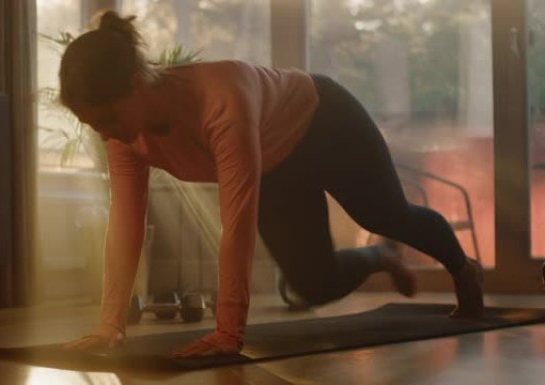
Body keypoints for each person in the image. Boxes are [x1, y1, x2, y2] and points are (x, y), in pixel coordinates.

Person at [60, 10, 484, 358]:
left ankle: (463, 270)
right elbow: (126, 225)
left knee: (387, 214)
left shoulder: (220, 99)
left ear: (136, 85)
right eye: (93, 125)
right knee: (314, 284)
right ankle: (381, 257)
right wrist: (110, 324)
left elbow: (237, 222)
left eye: (107, 119)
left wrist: (229, 332)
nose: (104, 134)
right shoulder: (124, 136)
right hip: (276, 168)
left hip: (326, 123)